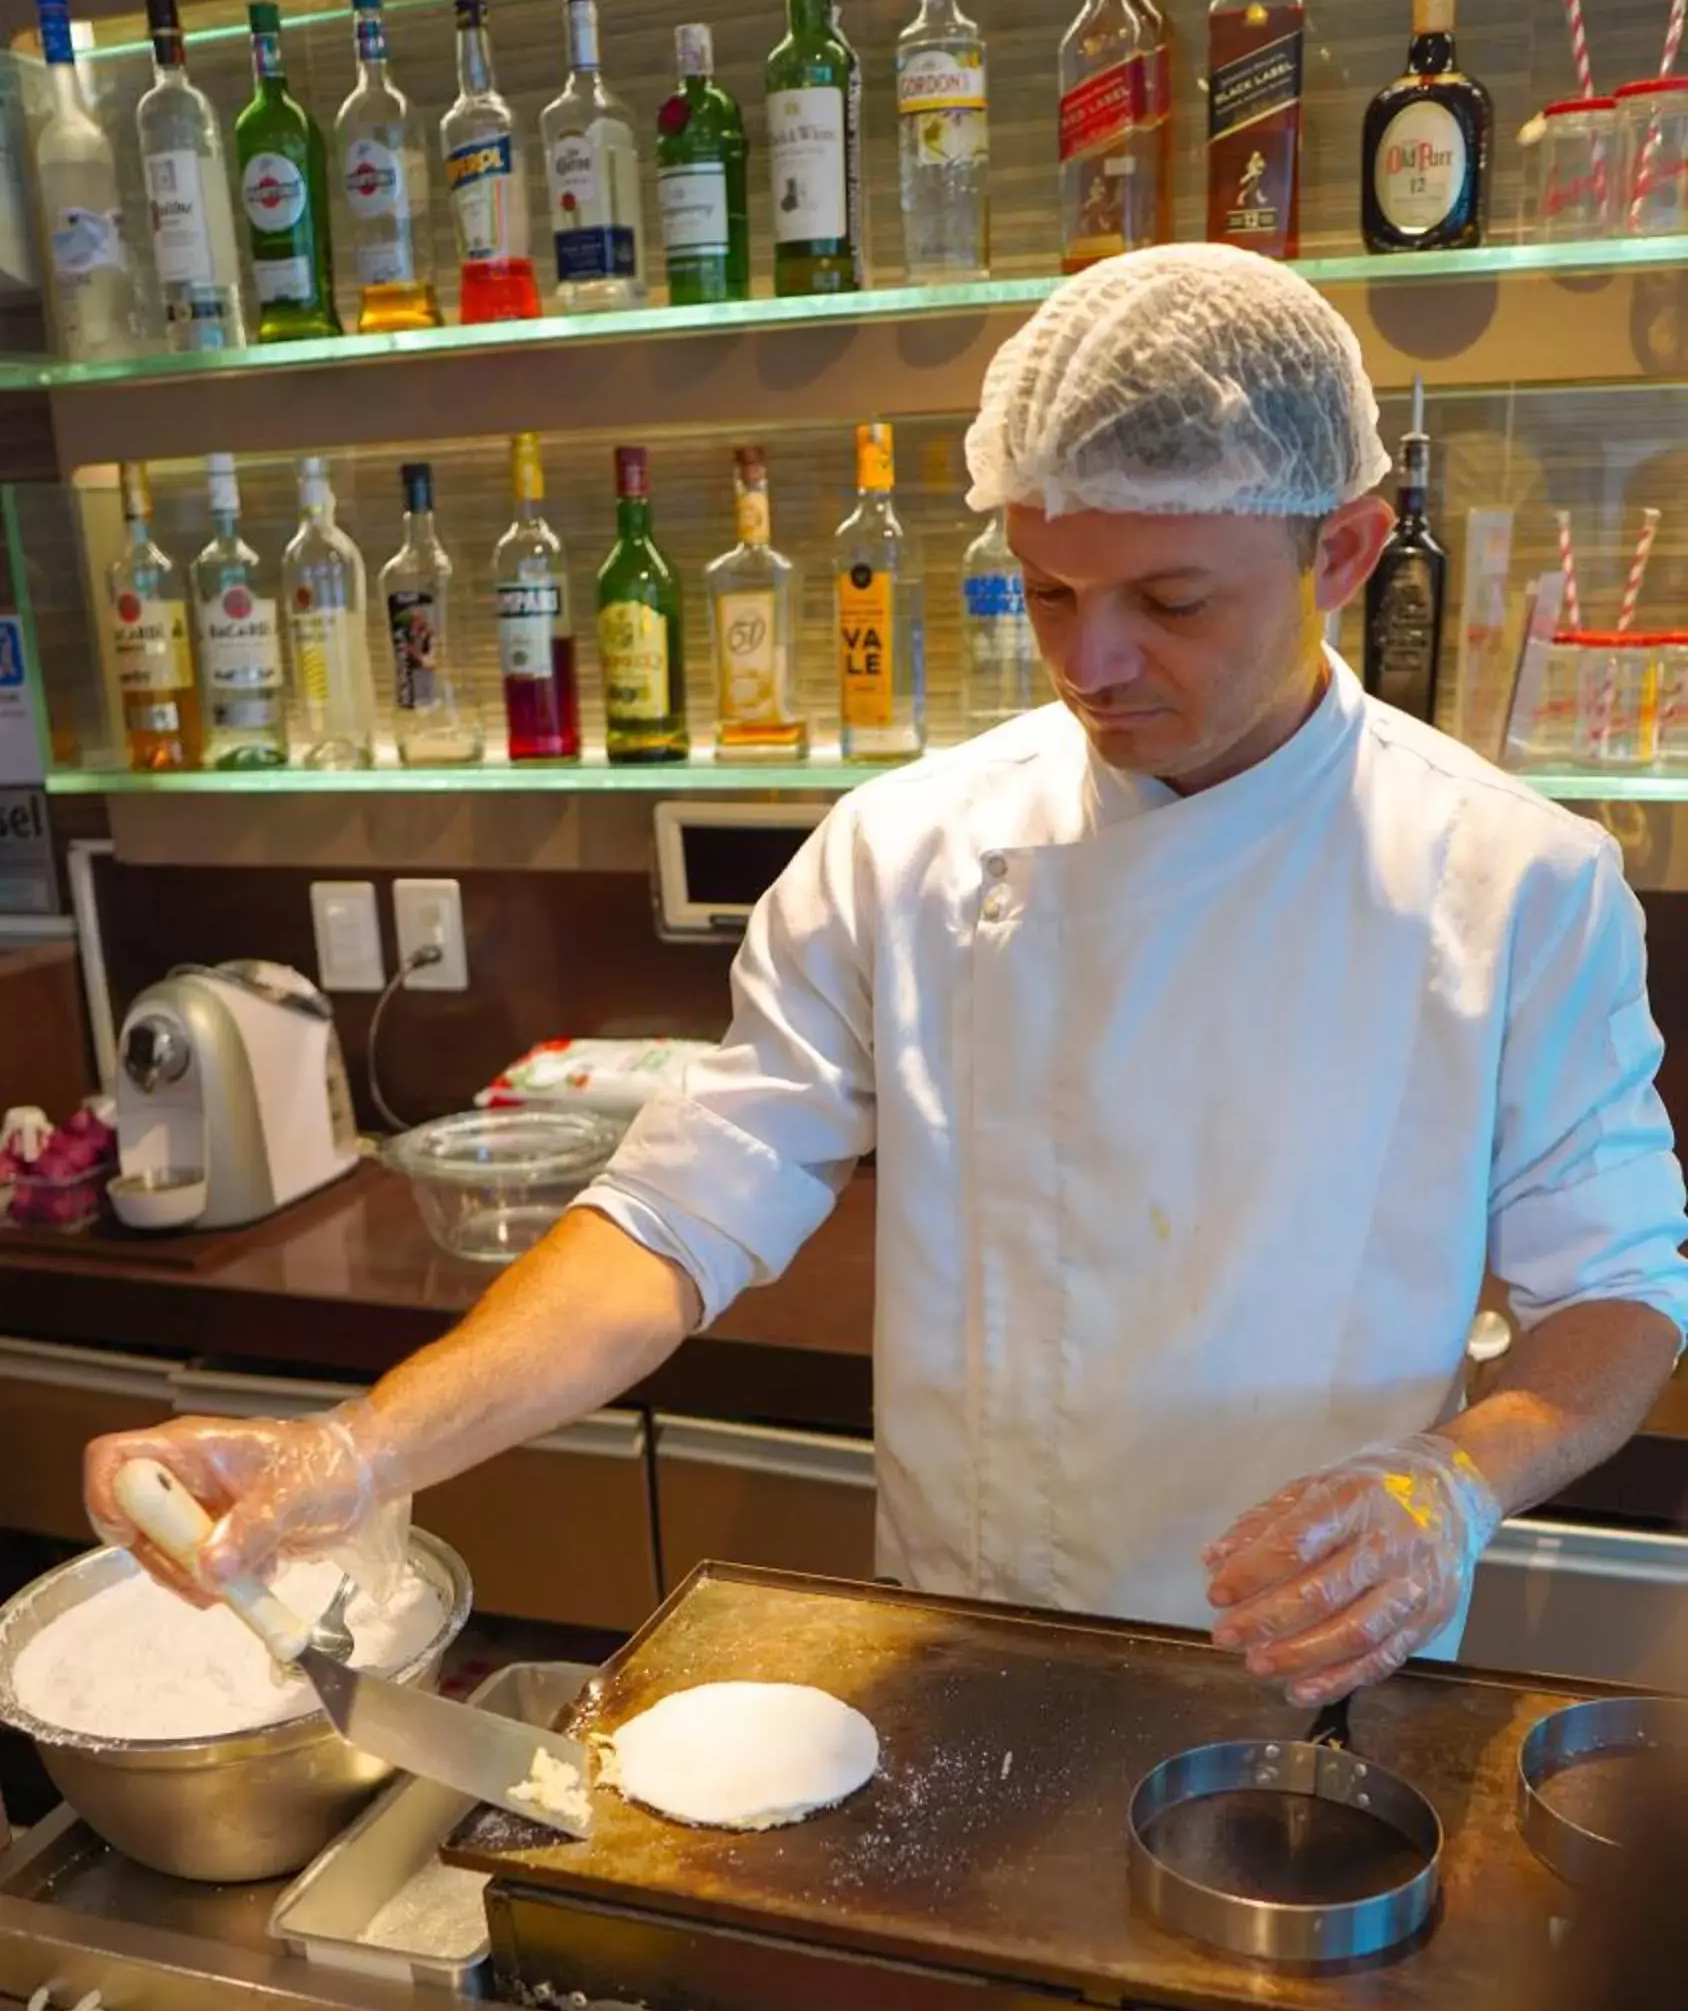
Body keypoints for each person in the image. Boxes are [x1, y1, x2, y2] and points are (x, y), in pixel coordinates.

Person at [86, 247, 1688, 1705]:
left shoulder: (1513, 886)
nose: (1091, 662)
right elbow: (671, 1221)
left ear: (1340, 551)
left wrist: (1451, 1486)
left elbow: (1618, 1293)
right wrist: (360, 1450)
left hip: (1321, 1665)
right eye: (1049, 593)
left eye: (1170, 600)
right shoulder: (908, 852)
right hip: (963, 1640)